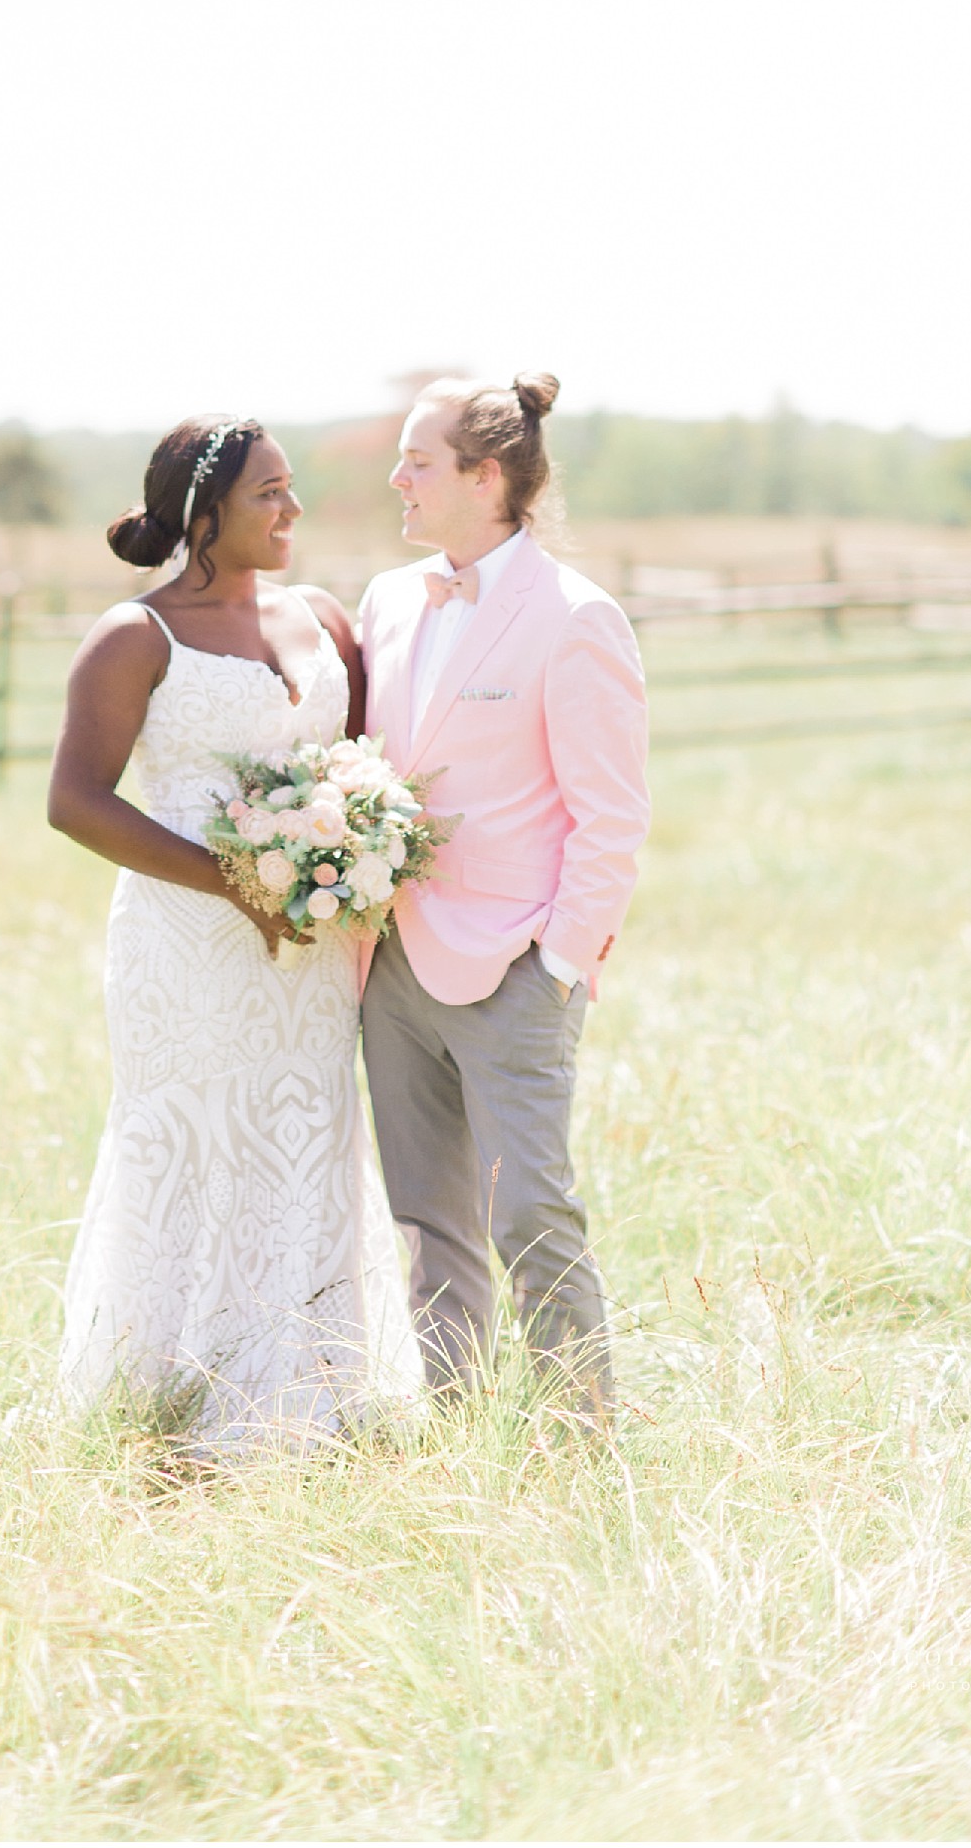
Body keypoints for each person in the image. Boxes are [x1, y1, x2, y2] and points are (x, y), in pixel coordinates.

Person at [47, 415, 420, 1451]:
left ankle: (313, 1385)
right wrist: (233, 882)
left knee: (307, 1132)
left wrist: (346, 850)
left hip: (308, 952)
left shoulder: (323, 617)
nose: (290, 508)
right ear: (204, 514)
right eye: (268, 493)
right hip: (186, 948)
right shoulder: (135, 636)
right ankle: (172, 1391)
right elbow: (74, 800)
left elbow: (357, 762)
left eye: (291, 487)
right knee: (196, 1142)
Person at [356, 374, 648, 1416]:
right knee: (425, 1221)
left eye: (418, 460)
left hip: (516, 963)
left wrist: (557, 964)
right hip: (391, 959)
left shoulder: (575, 618)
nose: (397, 476)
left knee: (528, 1210)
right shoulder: (388, 598)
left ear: (484, 477)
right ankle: (457, 1425)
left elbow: (608, 817)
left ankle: (576, 1432)